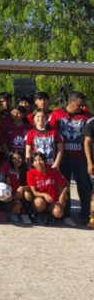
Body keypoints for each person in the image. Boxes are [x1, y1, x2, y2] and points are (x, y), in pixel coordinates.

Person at [49, 91, 90, 226]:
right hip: (63, 157)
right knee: (63, 186)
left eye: (83, 104)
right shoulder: (56, 114)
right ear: (71, 102)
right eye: (79, 104)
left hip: (81, 158)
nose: (82, 107)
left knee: (84, 186)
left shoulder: (87, 116)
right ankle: (65, 213)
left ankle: (85, 213)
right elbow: (47, 130)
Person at [27, 152, 70, 225]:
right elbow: (34, 192)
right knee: (39, 202)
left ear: (45, 161)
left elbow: (66, 184)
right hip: (41, 200)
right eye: (35, 160)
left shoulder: (53, 171)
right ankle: (40, 214)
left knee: (58, 213)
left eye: (41, 160)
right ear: (32, 164)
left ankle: (50, 215)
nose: (38, 162)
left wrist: (62, 195)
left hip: (53, 200)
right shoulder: (30, 173)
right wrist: (44, 195)